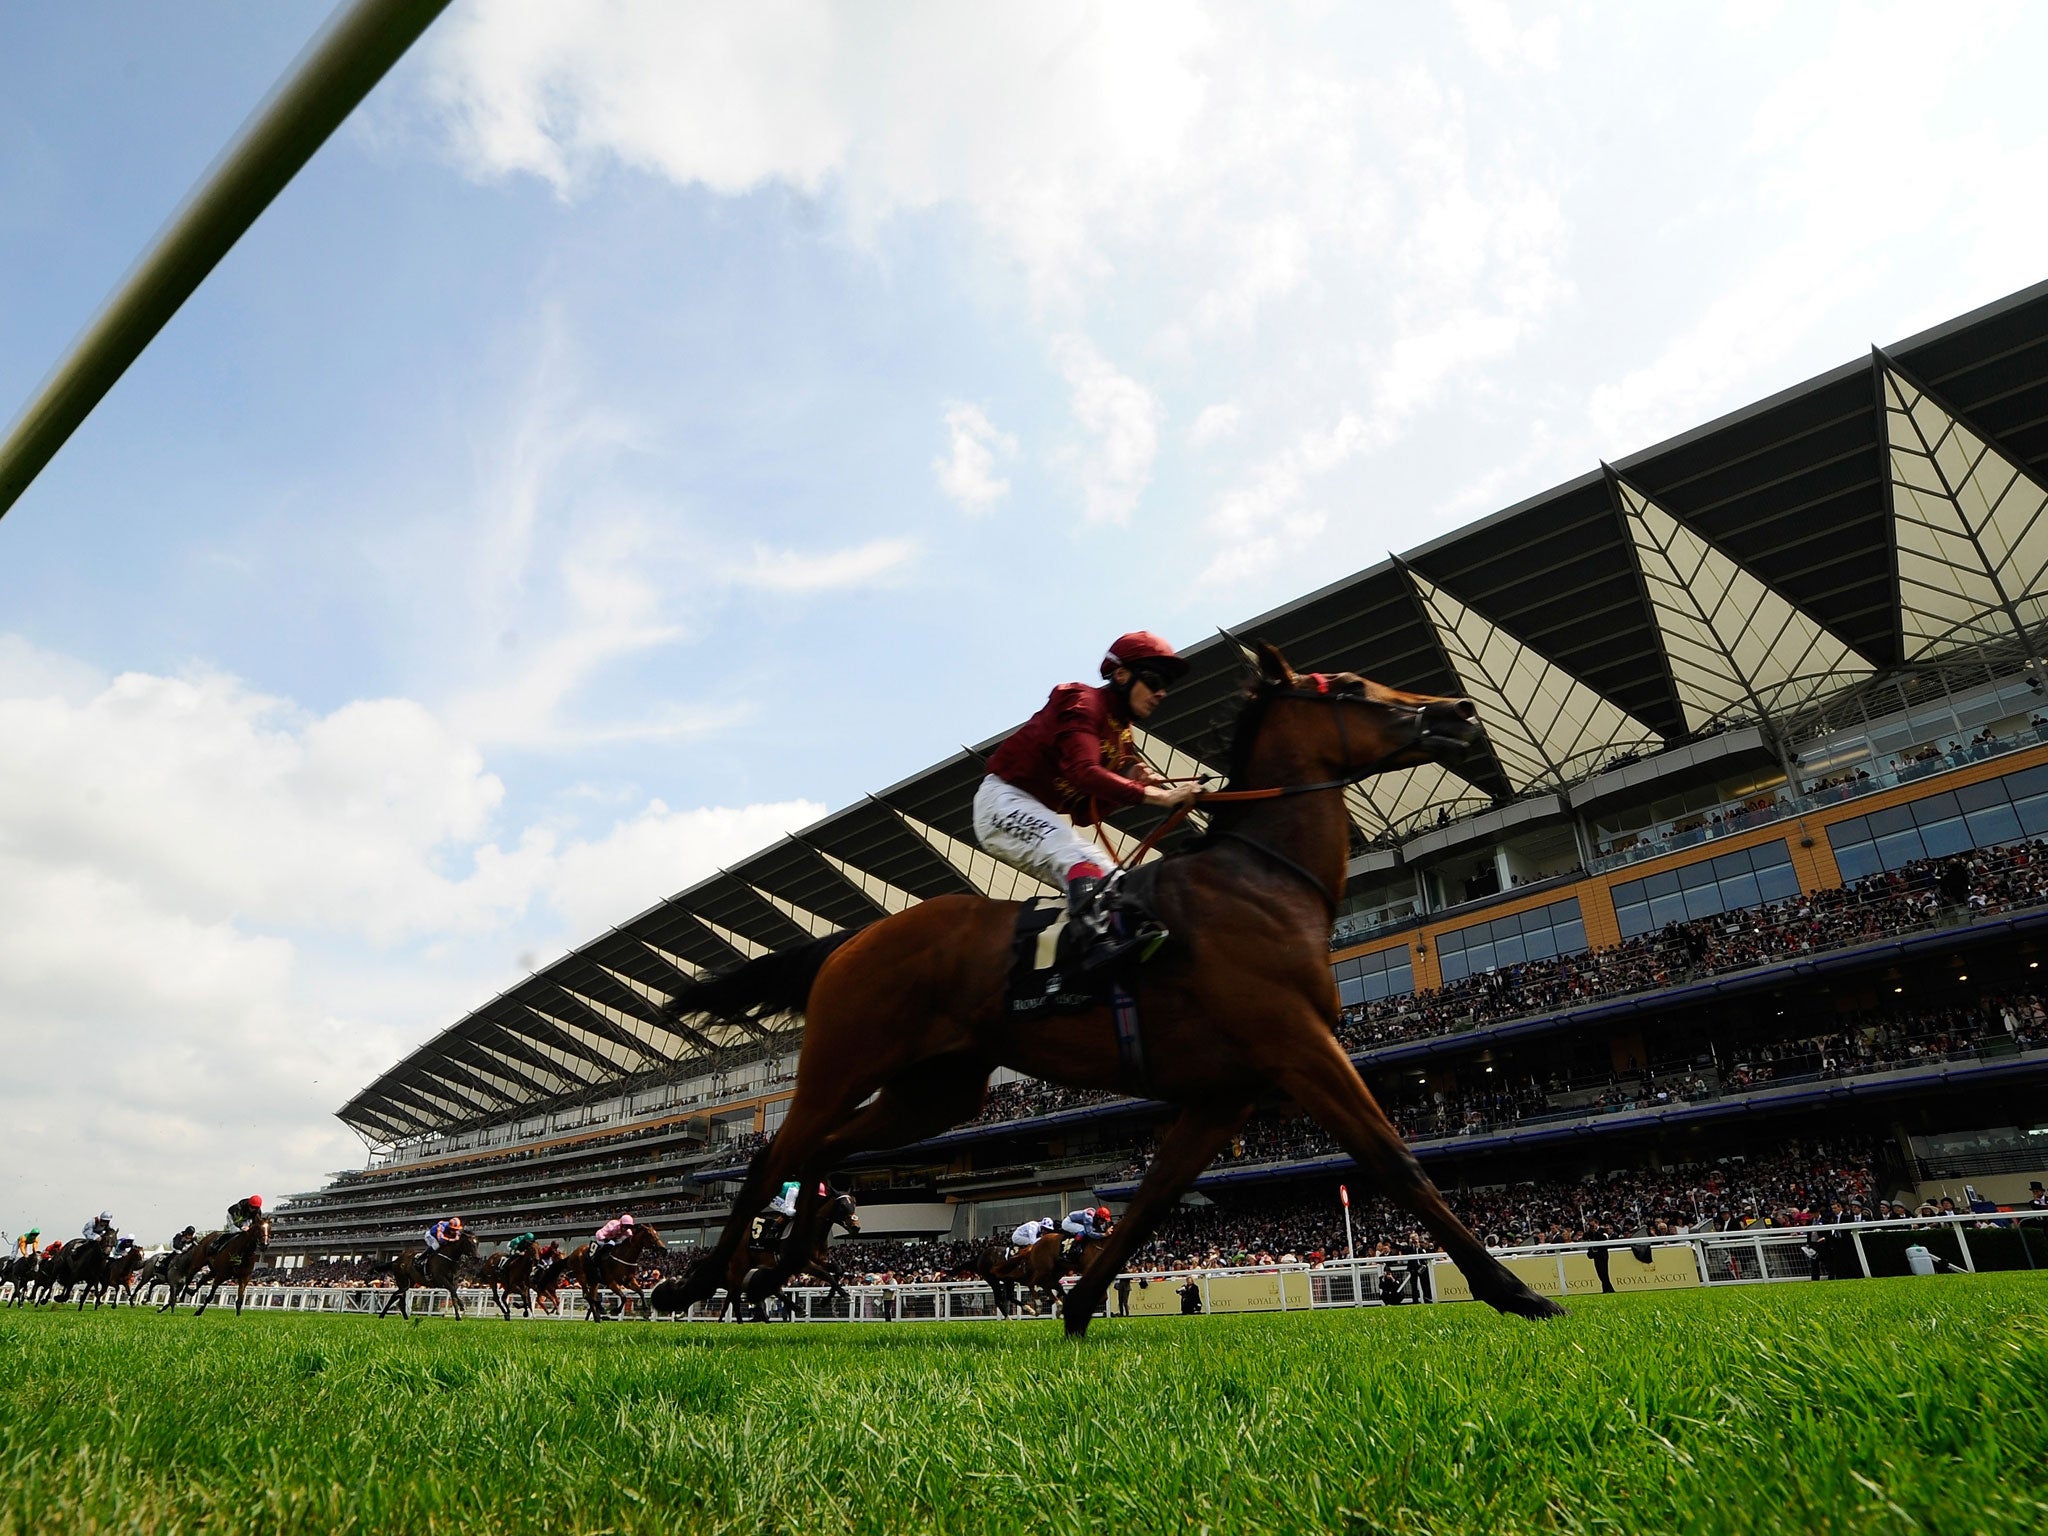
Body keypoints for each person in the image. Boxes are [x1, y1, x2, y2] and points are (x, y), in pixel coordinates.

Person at [977, 632, 1200, 971]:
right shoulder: (1081, 701)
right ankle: (1094, 949)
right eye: (1155, 681)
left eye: (1165, 686)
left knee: (1116, 885)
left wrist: (1131, 782)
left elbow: (1083, 813)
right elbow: (1083, 771)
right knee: (1087, 866)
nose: (1161, 693)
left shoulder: (1122, 736)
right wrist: (1157, 795)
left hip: (1034, 810)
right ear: (1122, 675)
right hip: (1003, 801)